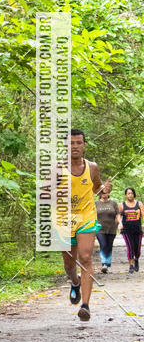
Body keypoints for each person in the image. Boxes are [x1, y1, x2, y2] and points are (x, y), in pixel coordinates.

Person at [57, 130, 111, 321]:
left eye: (79, 142)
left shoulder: (92, 167)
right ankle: (74, 282)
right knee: (69, 263)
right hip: (64, 219)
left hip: (86, 216)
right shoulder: (56, 169)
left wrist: (104, 190)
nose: (75, 146)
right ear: (65, 146)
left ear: (84, 145)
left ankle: (85, 306)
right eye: (71, 143)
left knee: (86, 257)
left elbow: (96, 188)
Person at [118, 187, 144, 273]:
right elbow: (118, 215)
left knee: (138, 249)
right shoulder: (122, 205)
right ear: (126, 195)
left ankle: (136, 259)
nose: (130, 195)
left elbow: (143, 215)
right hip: (126, 230)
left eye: (132, 193)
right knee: (130, 247)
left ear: (134, 194)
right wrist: (120, 224)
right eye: (128, 193)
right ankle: (131, 265)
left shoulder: (139, 204)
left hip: (137, 229)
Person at [95, 189, 120, 274]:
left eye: (106, 193)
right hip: (99, 228)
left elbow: (118, 214)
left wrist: (119, 222)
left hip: (112, 227)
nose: (104, 194)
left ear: (108, 193)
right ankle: (104, 264)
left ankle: (108, 265)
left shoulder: (113, 203)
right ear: (100, 193)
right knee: (103, 244)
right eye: (102, 193)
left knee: (109, 246)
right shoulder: (96, 203)